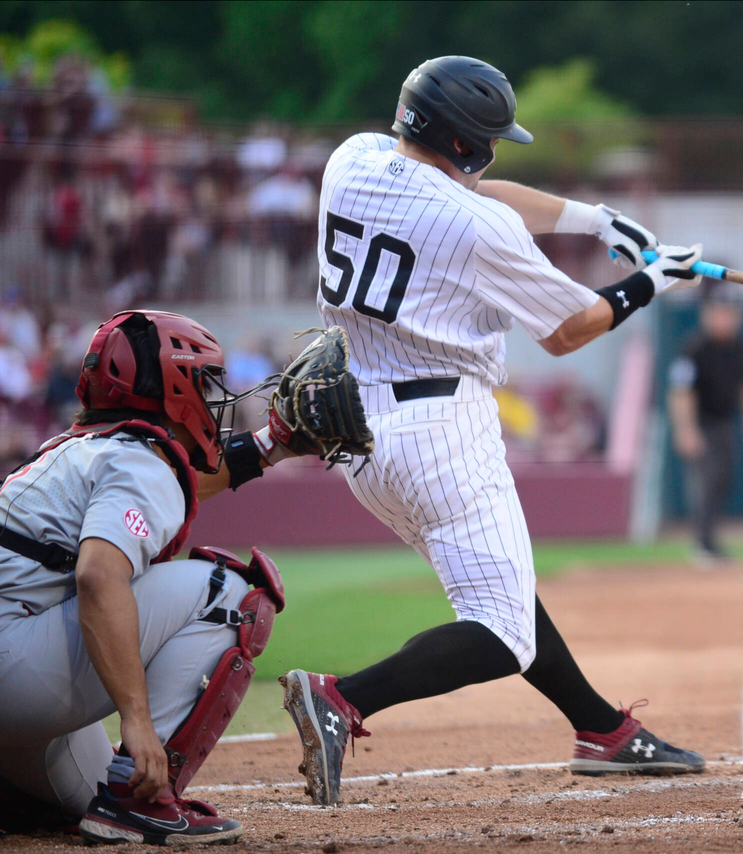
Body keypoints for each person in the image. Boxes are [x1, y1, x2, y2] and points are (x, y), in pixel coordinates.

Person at [279, 55, 706, 806]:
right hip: (441, 434)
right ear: (466, 145)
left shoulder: (353, 160)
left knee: (501, 590)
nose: (495, 151)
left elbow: (471, 196)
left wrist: (595, 220)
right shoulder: (476, 227)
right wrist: (650, 282)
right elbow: (570, 328)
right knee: (502, 633)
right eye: (489, 139)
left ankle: (600, 729)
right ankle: (342, 698)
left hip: (357, 434)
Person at [0, 310, 296, 844]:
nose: (211, 397)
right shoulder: (141, 460)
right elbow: (97, 578)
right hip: (12, 673)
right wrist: (136, 721)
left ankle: (19, 793)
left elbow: (181, 483)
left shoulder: (79, 448)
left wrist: (271, 443)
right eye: (202, 382)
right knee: (227, 592)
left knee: (83, 794)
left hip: (14, 665)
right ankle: (141, 805)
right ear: (173, 387)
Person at [667, 281, 743, 560]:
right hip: (702, 424)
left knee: (726, 477)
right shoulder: (694, 348)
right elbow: (681, 392)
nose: (726, 318)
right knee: (707, 481)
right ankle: (703, 543)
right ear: (707, 315)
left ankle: (709, 540)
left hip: (724, 424)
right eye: (720, 312)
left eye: (730, 312)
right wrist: (686, 430)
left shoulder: (742, 346)